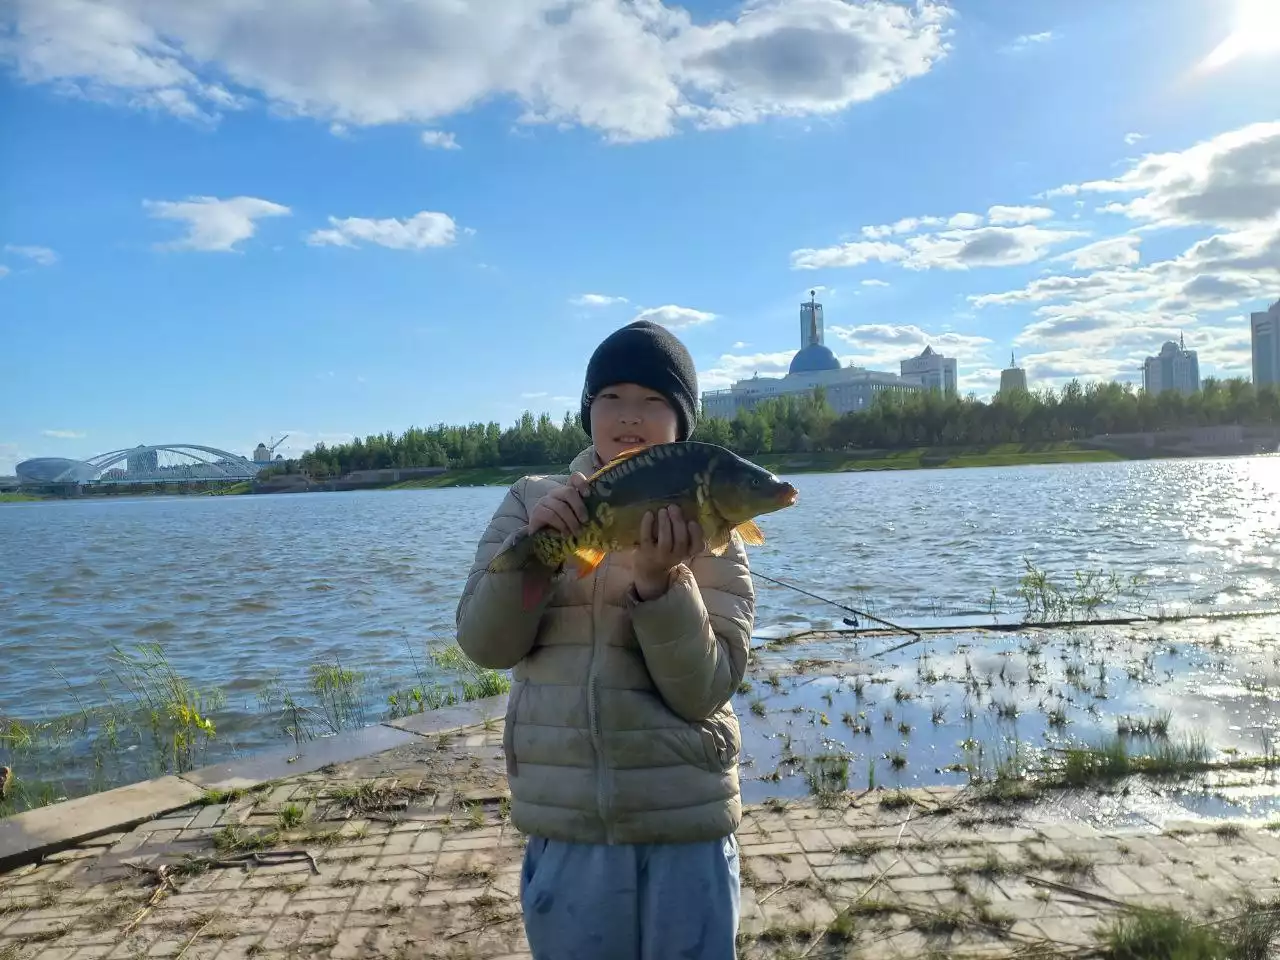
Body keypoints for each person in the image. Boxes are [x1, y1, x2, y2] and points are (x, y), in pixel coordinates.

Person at [455, 319, 755, 960]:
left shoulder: (712, 529)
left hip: (686, 822)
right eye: (611, 398)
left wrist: (660, 582)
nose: (630, 416)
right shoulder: (533, 502)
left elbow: (704, 691)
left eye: (654, 401)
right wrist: (534, 556)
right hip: (569, 826)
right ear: (587, 411)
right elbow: (486, 648)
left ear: (682, 423)